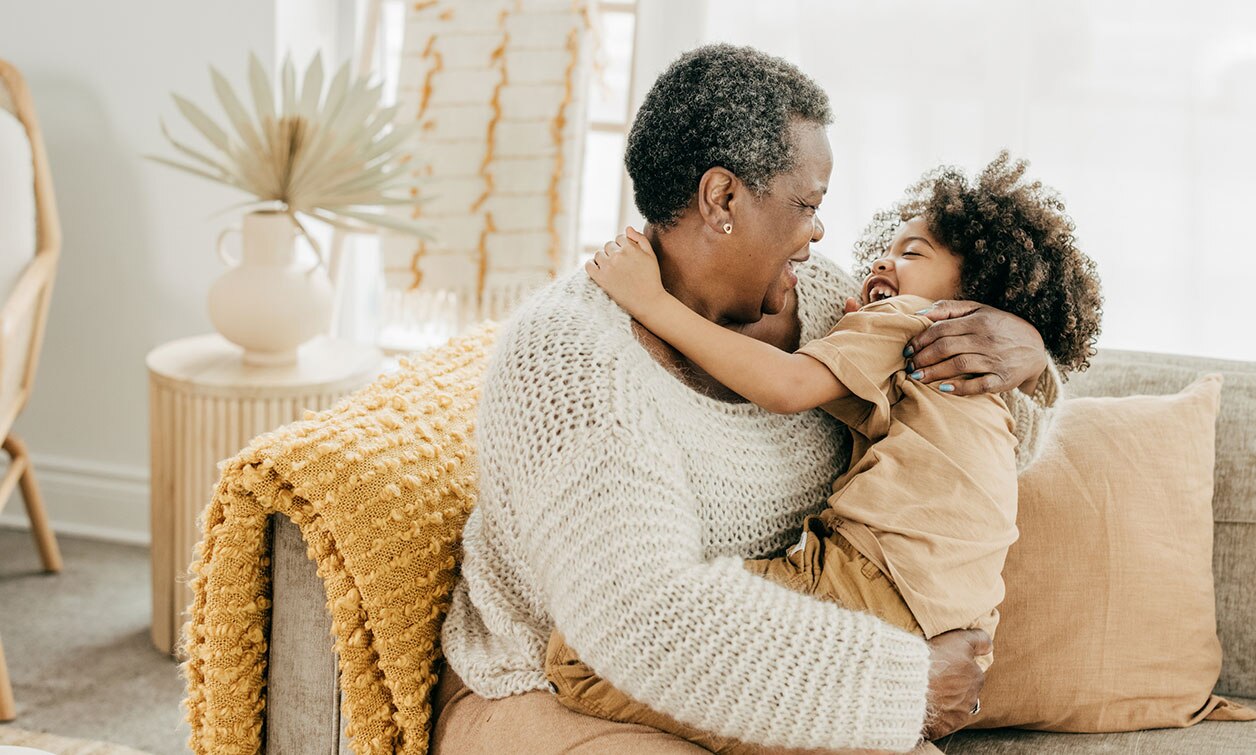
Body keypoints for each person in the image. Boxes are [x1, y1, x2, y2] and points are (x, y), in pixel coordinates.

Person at [432, 45, 1062, 754]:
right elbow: (635, 621)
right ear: (722, 198)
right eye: (807, 204)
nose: (822, 231)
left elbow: (962, 445)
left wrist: (1016, 351)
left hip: (786, 653)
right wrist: (904, 686)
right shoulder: (572, 361)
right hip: (566, 687)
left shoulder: (825, 298)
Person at [547, 152, 1103, 753]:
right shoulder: (971, 381)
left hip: (872, 576)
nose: (884, 260)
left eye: (913, 254)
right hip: (957, 615)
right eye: (888, 248)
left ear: (977, 300)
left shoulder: (914, 319)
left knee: (580, 655)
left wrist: (652, 302)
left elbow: (787, 385)